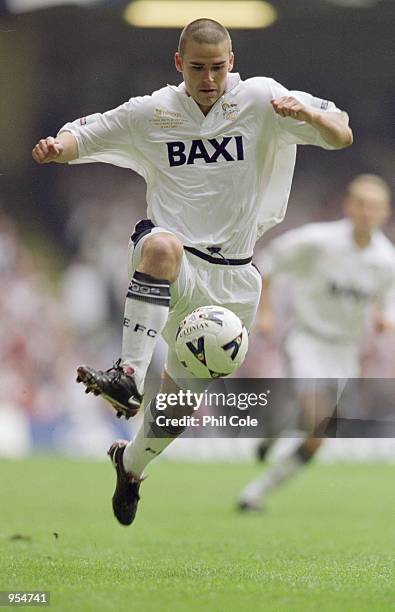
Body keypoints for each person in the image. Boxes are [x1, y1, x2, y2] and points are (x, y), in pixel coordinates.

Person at [32, 18, 352, 526]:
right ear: (180, 64)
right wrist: (58, 147)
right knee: (158, 246)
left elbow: (341, 136)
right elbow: (88, 133)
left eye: (218, 67)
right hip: (178, 260)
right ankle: (129, 373)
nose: (208, 78)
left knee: (177, 409)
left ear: (233, 63)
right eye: (198, 68)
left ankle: (131, 465)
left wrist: (308, 114)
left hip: (234, 279)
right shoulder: (153, 112)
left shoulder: (262, 99)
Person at [238, 174, 395, 512]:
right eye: (363, 204)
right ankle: (270, 446)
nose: (368, 213)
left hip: (345, 351)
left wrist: (386, 318)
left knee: (316, 435)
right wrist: (264, 312)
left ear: (385, 213)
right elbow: (267, 265)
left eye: (376, 207)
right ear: (349, 206)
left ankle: (255, 490)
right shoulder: (318, 241)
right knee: (316, 415)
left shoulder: (386, 260)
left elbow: (389, 300)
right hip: (307, 339)